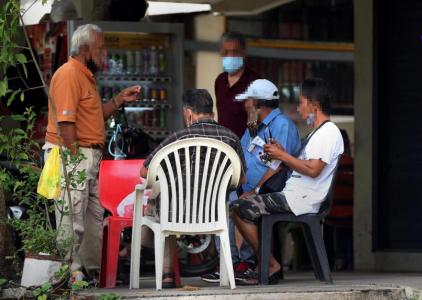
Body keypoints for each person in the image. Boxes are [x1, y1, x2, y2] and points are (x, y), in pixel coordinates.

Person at [43, 24, 141, 283]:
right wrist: (74, 157)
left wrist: (118, 100)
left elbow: (92, 118)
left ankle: (92, 271)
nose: (105, 53)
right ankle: (70, 272)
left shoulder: (84, 75)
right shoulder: (69, 74)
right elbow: (66, 123)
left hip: (89, 155)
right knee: (72, 215)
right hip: (73, 154)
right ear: (85, 49)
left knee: (92, 218)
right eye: (101, 48)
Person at [231, 78, 344, 285]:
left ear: (314, 105)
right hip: (295, 195)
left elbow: (313, 169)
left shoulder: (329, 132)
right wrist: (282, 153)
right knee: (239, 205)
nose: (298, 107)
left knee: (239, 208)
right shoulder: (316, 133)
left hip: (300, 199)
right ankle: (266, 262)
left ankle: (269, 264)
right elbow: (304, 165)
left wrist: (283, 157)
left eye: (301, 102)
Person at [139, 89, 246, 288]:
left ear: (188, 113)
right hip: (214, 213)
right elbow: (241, 179)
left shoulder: (178, 138)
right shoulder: (231, 138)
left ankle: (167, 274)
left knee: (164, 202)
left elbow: (145, 171)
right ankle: (226, 274)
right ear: (211, 112)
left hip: (176, 213)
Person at [201, 79, 301, 283]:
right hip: (248, 186)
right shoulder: (254, 126)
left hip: (272, 191)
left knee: (233, 204)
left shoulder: (282, 124)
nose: (244, 104)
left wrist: (255, 190)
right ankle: (231, 262)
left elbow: (279, 166)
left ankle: (244, 263)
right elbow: (243, 157)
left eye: (247, 100)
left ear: (256, 103)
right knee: (218, 198)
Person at [215, 32, 260, 138]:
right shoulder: (220, 81)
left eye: (235, 52)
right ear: (221, 52)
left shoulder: (255, 82)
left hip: (244, 148)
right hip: (224, 146)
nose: (230, 56)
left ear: (244, 53)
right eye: (226, 52)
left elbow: (258, 122)